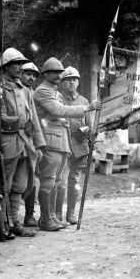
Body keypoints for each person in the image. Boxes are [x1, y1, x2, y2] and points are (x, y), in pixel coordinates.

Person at [0, 48, 46, 238]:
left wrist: (39, 144)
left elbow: (34, 119)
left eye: (22, 64)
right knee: (2, 187)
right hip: (4, 144)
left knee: (20, 186)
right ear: (5, 67)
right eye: (17, 64)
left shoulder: (25, 91)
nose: (21, 67)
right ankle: (3, 225)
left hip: (25, 143)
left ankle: (15, 223)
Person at [33, 57, 100, 231]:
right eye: (55, 72)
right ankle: (47, 219)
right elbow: (57, 110)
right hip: (51, 140)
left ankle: (54, 217)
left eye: (59, 72)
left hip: (67, 143)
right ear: (45, 74)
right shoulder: (43, 91)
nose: (58, 75)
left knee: (59, 181)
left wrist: (87, 132)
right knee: (51, 181)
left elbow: (64, 115)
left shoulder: (57, 93)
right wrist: (85, 109)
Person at [57, 66, 91, 225]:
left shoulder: (84, 102)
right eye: (68, 79)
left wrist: (85, 131)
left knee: (74, 182)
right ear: (62, 82)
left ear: (78, 82)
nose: (72, 82)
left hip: (78, 145)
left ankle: (71, 214)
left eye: (75, 79)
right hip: (61, 145)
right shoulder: (57, 99)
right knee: (60, 182)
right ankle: (56, 214)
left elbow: (90, 125)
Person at [19, 61, 41, 227]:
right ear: (20, 73)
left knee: (31, 177)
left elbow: (36, 121)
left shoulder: (34, 93)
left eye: (34, 75)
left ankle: (29, 215)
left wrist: (39, 145)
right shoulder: (15, 91)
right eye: (27, 73)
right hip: (14, 138)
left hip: (31, 140)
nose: (31, 77)